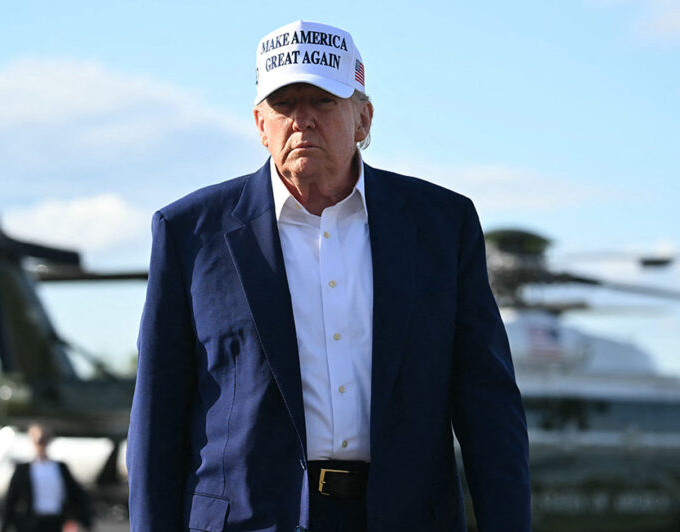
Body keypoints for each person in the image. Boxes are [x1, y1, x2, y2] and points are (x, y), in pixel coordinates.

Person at [127, 20, 529, 531]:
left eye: (322, 101)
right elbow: (155, 422)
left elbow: (489, 409)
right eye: (284, 105)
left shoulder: (442, 227)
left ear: (363, 119)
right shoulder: (189, 233)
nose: (302, 120)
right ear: (259, 123)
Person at [0, 424, 94, 532]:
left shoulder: (60, 468)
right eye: (38, 441)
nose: (41, 445)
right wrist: (3, 526)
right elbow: (10, 500)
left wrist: (87, 522)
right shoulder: (23, 470)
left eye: (43, 440)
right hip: (30, 523)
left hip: (55, 522)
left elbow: (76, 495)